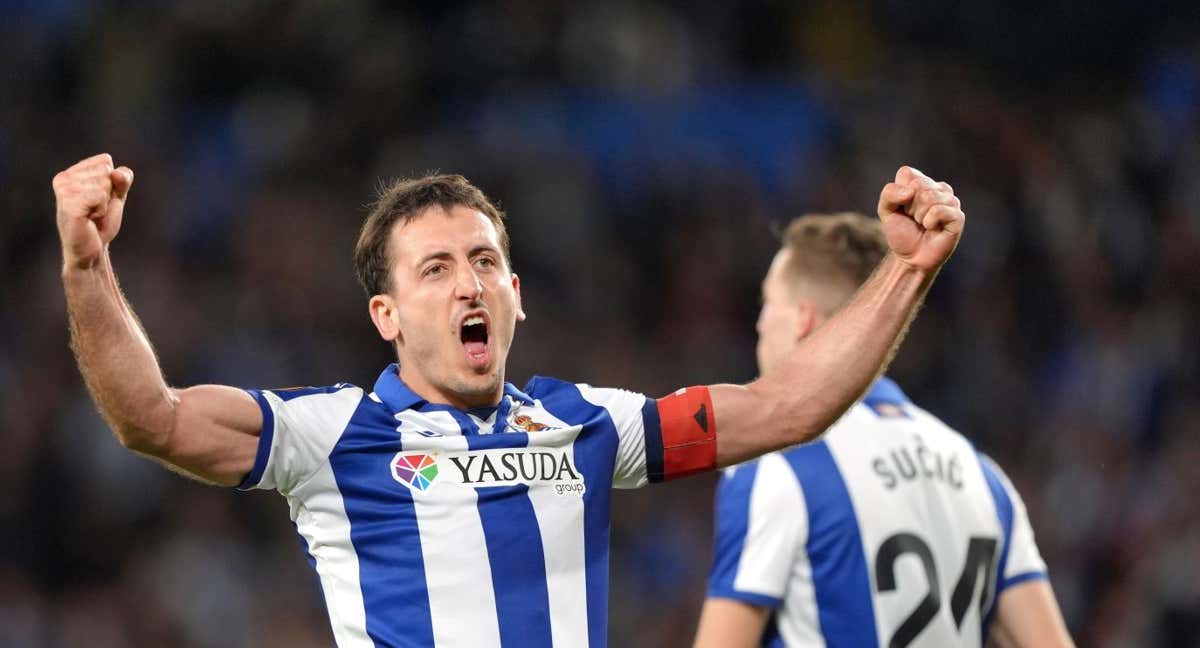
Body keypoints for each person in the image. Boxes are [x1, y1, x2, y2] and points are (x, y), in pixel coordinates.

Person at [54, 153, 963, 648]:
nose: (469, 287)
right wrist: (88, 266)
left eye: (486, 263)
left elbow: (785, 409)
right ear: (386, 314)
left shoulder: (588, 424)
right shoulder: (329, 434)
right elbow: (154, 417)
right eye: (437, 269)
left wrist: (907, 269)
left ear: (518, 293)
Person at [693, 213, 1073, 648]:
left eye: (767, 304)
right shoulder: (983, 475)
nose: (759, 325)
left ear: (802, 319)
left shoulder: (776, 467)